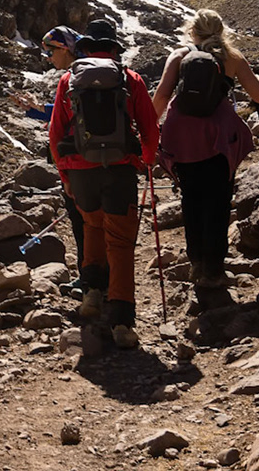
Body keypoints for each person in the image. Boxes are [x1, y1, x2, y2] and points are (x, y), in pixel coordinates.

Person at [47, 18, 159, 348]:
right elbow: (150, 129)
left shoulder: (69, 80)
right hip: (120, 169)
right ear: (113, 48)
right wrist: (145, 163)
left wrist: (66, 175)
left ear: (84, 49)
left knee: (92, 226)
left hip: (81, 171)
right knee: (121, 243)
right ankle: (122, 323)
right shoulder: (131, 79)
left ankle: (92, 295)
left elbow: (55, 135)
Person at [152, 9, 259, 290]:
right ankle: (214, 269)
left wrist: (149, 131)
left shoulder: (180, 56)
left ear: (192, 31)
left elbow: (160, 98)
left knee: (191, 198)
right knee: (218, 200)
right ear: (222, 31)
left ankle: (197, 262)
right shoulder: (233, 58)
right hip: (219, 139)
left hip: (182, 138)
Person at [11, 26, 86, 270]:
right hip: (101, 154)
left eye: (51, 51)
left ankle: (90, 276)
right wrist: (33, 109)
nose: (48, 57)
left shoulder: (72, 77)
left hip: (77, 159)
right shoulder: (89, 73)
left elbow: (65, 113)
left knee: (81, 219)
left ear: (65, 48)